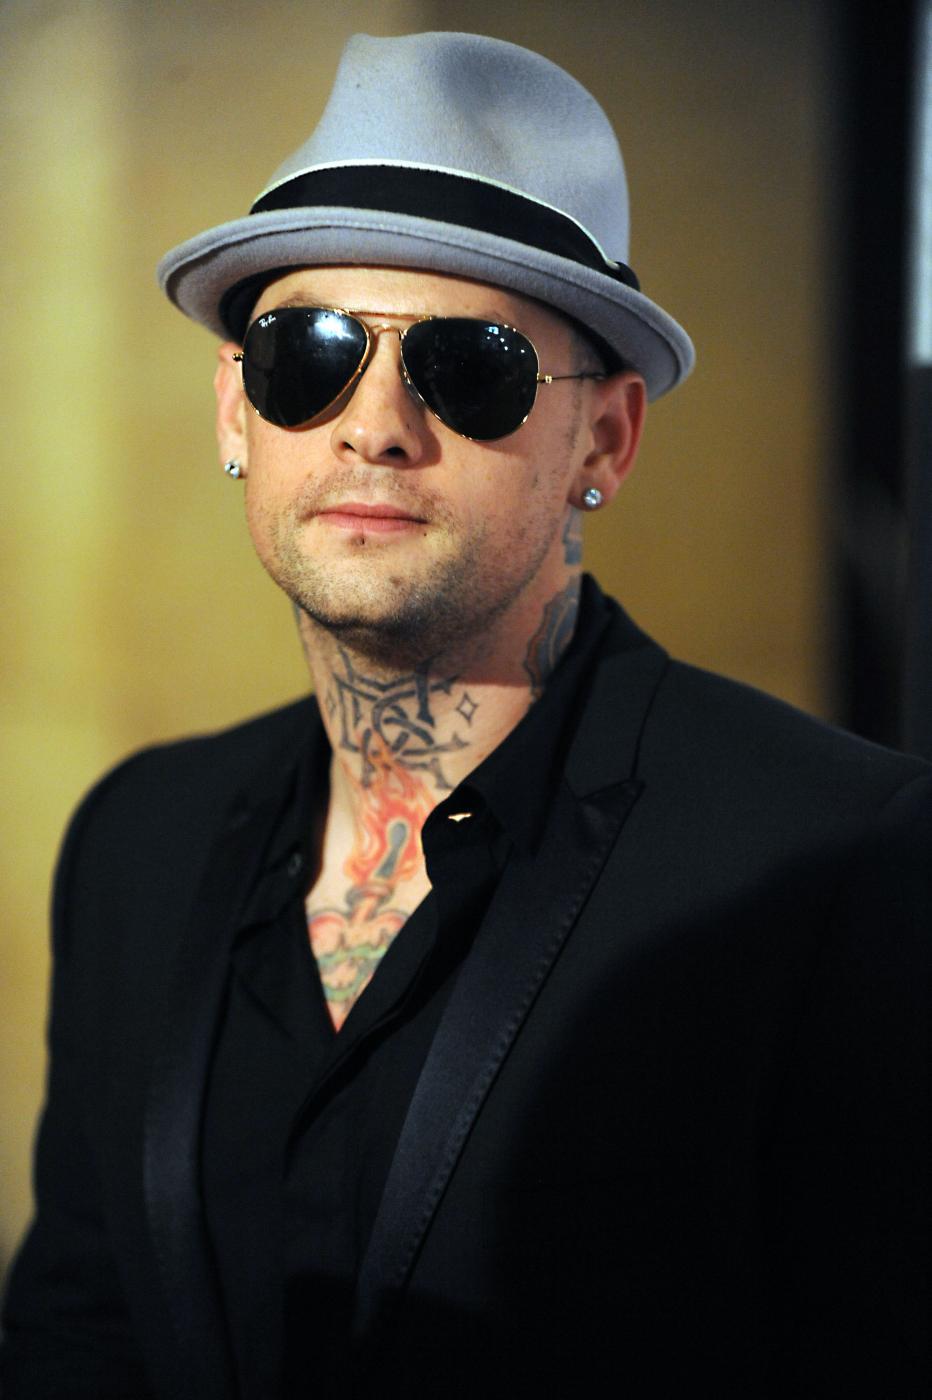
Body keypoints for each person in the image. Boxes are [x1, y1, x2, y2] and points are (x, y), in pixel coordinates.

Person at [2, 29, 930, 1400]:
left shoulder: (835, 860)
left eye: (470, 366)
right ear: (237, 414)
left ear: (604, 439)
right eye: (309, 354)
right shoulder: (138, 840)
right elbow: (78, 1334)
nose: (374, 425)